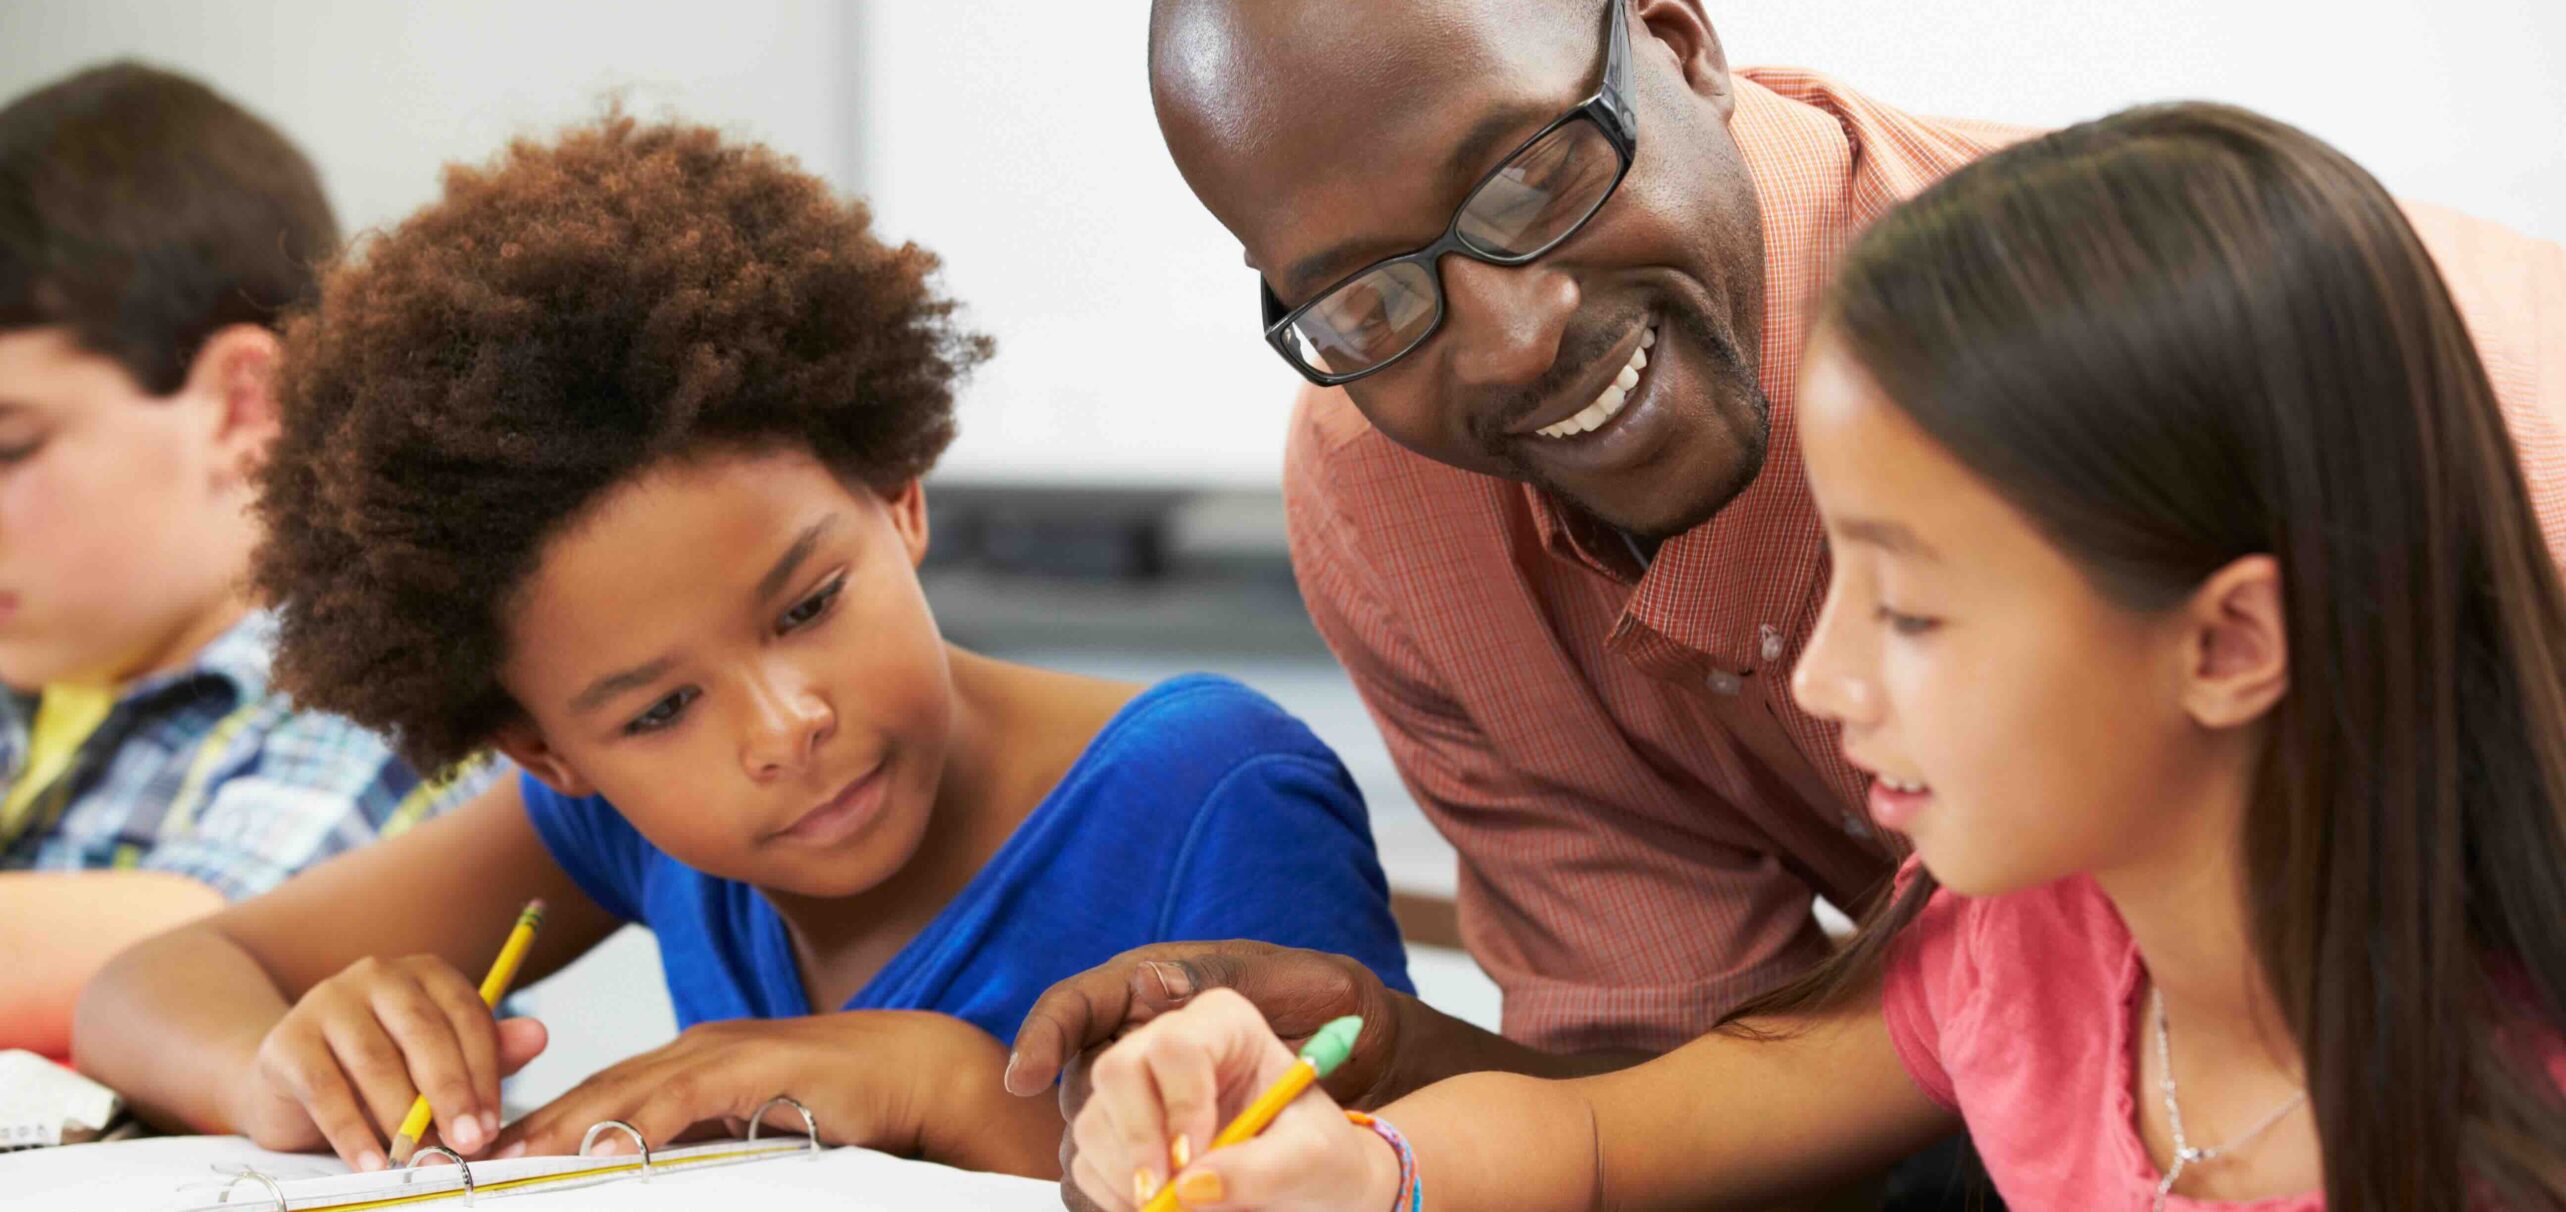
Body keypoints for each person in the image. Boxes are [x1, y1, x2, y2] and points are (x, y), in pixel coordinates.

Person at [1009, 0, 2566, 1128]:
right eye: (1359, 298)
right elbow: (1667, 1110)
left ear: (1682, 44)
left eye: (1533, 178)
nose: (1512, 333)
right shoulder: (1389, 497)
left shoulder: (2339, 412)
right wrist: (1393, 1071)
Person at [73, 114, 1411, 1179]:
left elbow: (1349, 1179)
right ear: (549, 748)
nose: (782, 729)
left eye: (808, 604)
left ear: (899, 494)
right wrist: (281, 1066)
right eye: (658, 711)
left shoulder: (1206, 793)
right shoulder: (612, 824)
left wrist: (933, 1088)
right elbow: (150, 984)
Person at [0, 63, 485, 1060]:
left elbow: (213, 956)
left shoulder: (386, 679)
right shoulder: (40, 665)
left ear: (241, 406)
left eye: (11, 448)